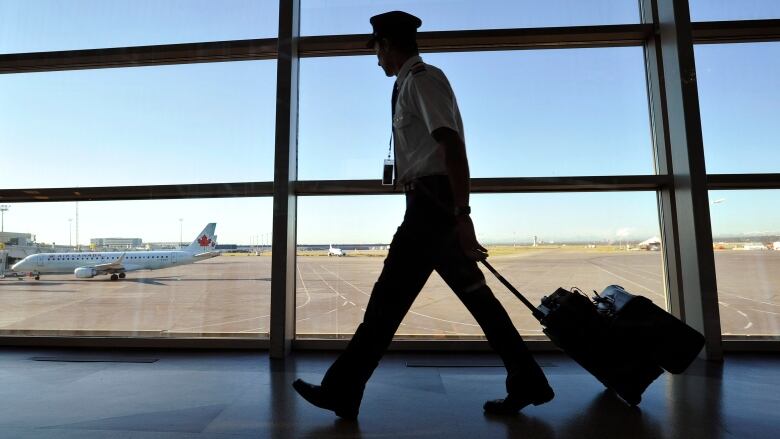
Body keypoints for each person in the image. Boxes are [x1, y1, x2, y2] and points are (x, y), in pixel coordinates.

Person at [292, 10, 553, 420]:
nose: (375, 58)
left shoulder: (422, 81)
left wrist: (462, 215)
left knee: (386, 304)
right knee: (472, 300)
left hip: (432, 207)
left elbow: (451, 146)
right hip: (428, 205)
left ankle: (342, 390)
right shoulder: (408, 84)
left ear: (388, 44)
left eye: (376, 48)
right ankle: (528, 379)